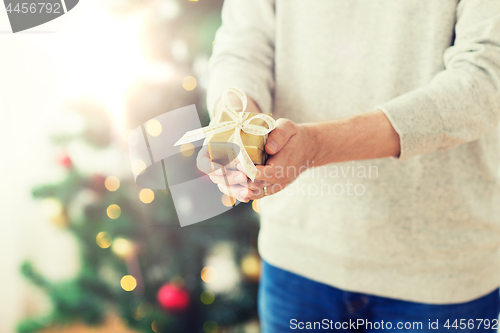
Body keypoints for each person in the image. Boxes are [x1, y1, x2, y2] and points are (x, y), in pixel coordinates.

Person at [197, 0, 500, 332]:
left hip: (441, 276)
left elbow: (484, 78)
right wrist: (233, 128)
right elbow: (243, 46)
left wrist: (317, 146)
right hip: (296, 257)